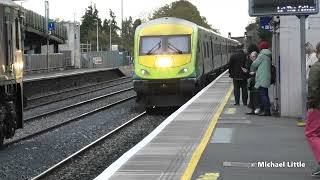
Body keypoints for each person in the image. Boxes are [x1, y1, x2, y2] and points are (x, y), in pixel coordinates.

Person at [305, 42, 320, 177]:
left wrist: (310, 105)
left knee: (311, 133)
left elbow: (313, 89)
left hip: (317, 107)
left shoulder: (316, 68)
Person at [250, 41, 272, 116]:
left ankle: (266, 111)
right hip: (266, 77)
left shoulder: (261, 55)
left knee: (263, 94)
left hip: (262, 78)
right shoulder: (268, 55)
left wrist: (252, 69)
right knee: (265, 94)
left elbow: (254, 64)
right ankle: (266, 110)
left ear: (261, 48)